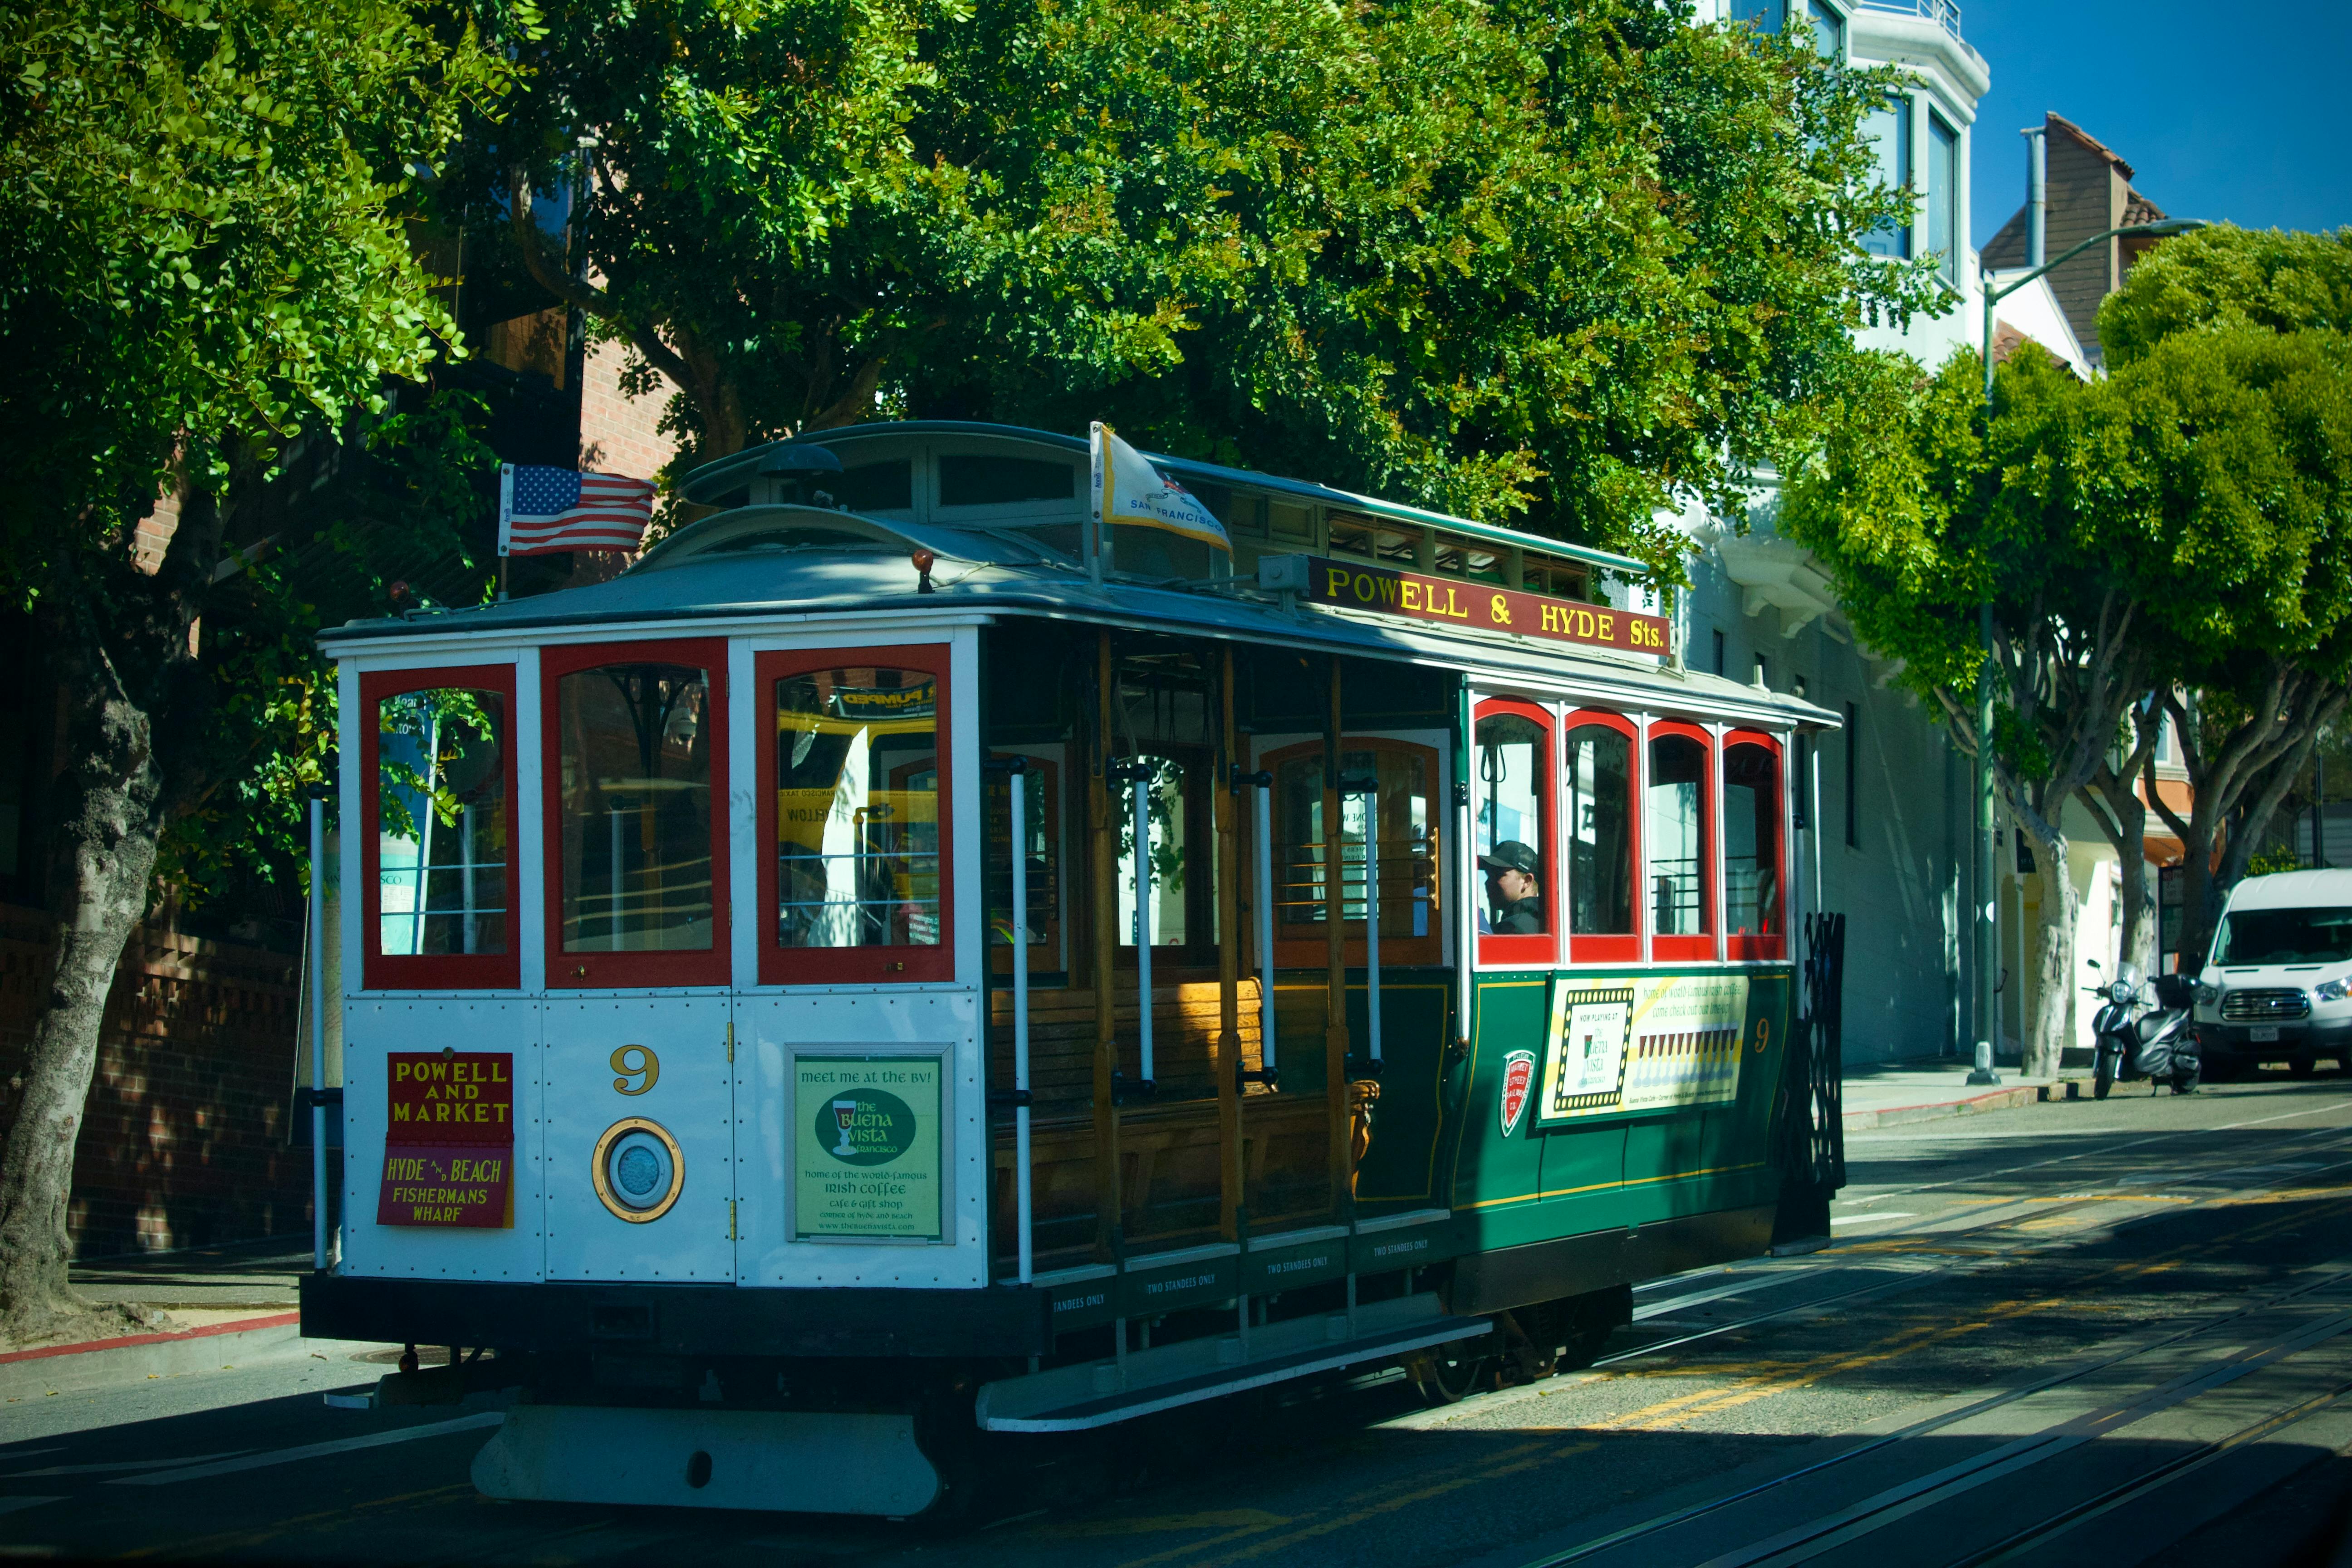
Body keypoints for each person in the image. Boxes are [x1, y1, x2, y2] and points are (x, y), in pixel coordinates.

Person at [1480, 840, 1544, 934]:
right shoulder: (1540, 920)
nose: (1488, 883)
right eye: (1489, 875)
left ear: (1527, 881)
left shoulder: (1513, 928)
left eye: (1498, 875)